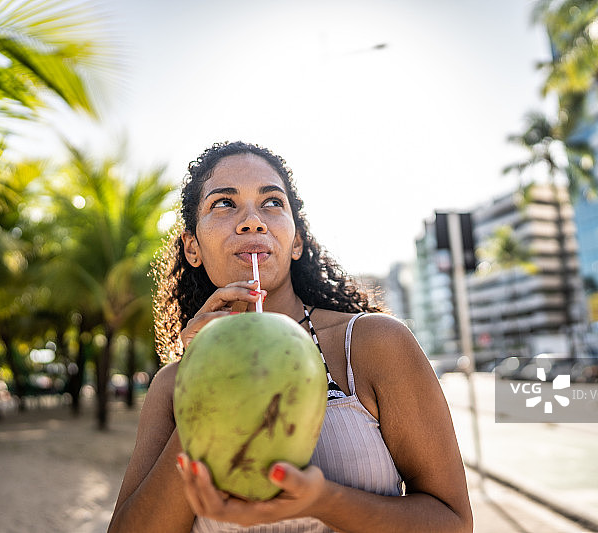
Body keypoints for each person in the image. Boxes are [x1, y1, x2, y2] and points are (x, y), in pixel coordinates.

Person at [109, 141, 473, 532]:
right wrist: (210, 391)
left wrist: (323, 501)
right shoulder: (173, 386)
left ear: (296, 240)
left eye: (271, 203)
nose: (252, 221)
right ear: (192, 247)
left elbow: (452, 522)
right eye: (224, 204)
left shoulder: (373, 345)